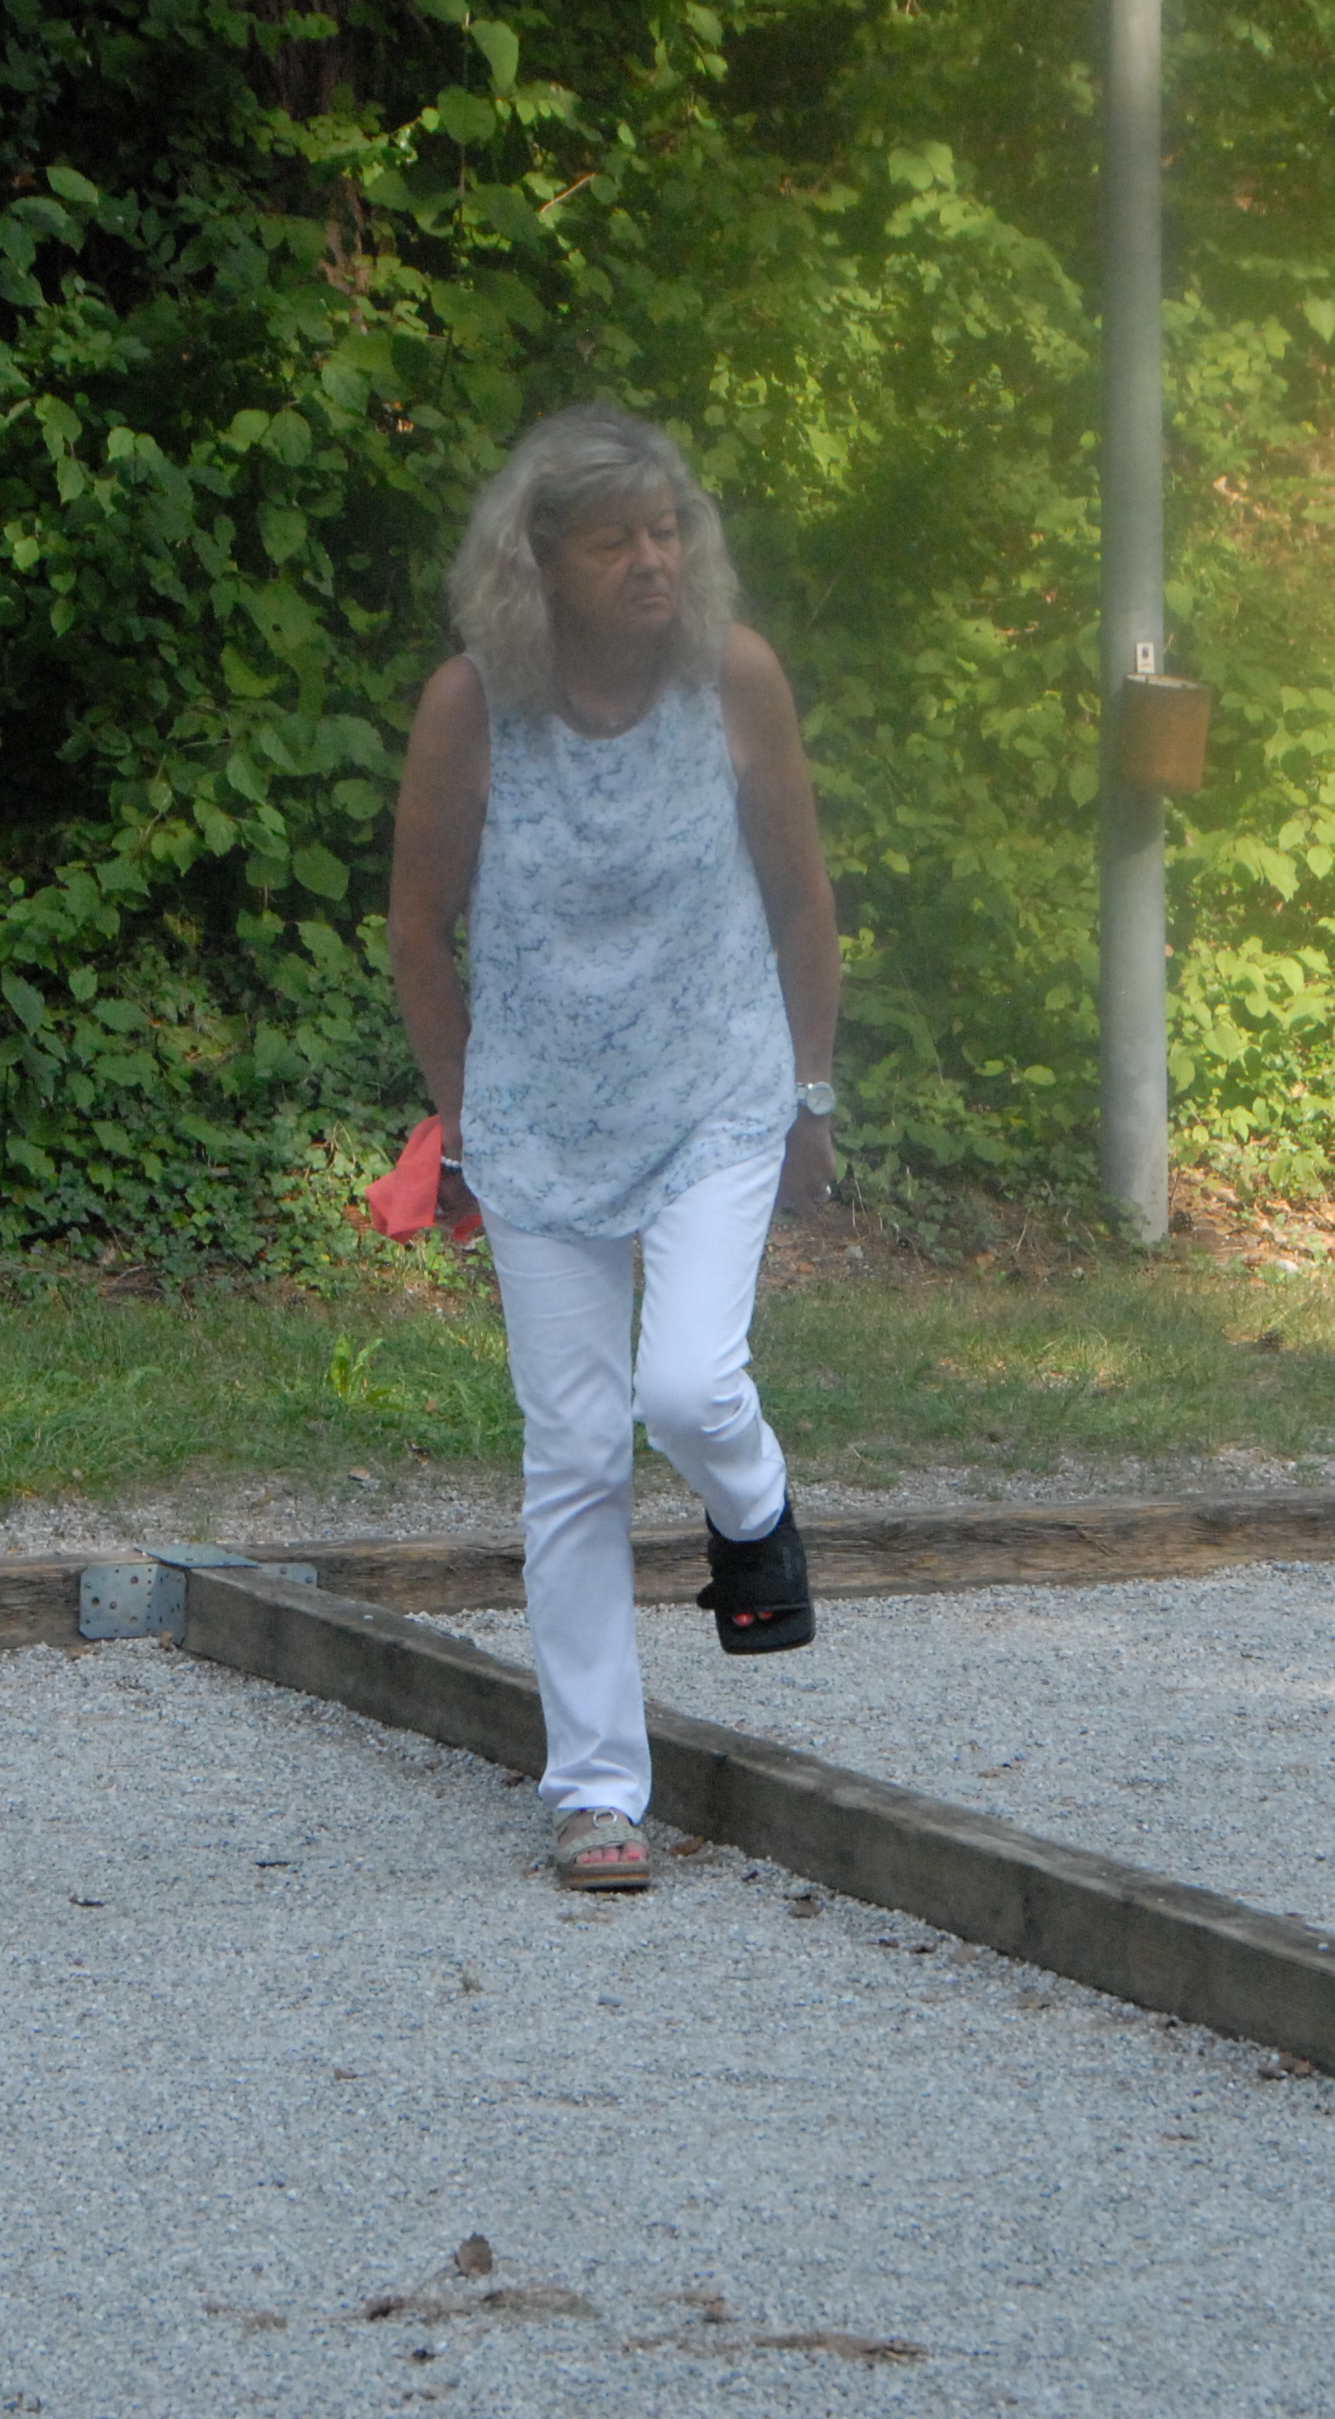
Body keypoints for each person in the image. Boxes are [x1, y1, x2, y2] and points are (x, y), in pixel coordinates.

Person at [386, 403, 842, 1894]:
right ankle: (596, 1792)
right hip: (537, 1115)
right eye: (613, 542)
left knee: (690, 1386)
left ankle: (754, 1511)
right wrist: (462, 1113)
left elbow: (802, 899)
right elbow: (419, 926)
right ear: (542, 565)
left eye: (667, 533)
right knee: (574, 1451)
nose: (652, 563)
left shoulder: (734, 680)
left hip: (714, 1089)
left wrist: (812, 1093)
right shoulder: (472, 707)